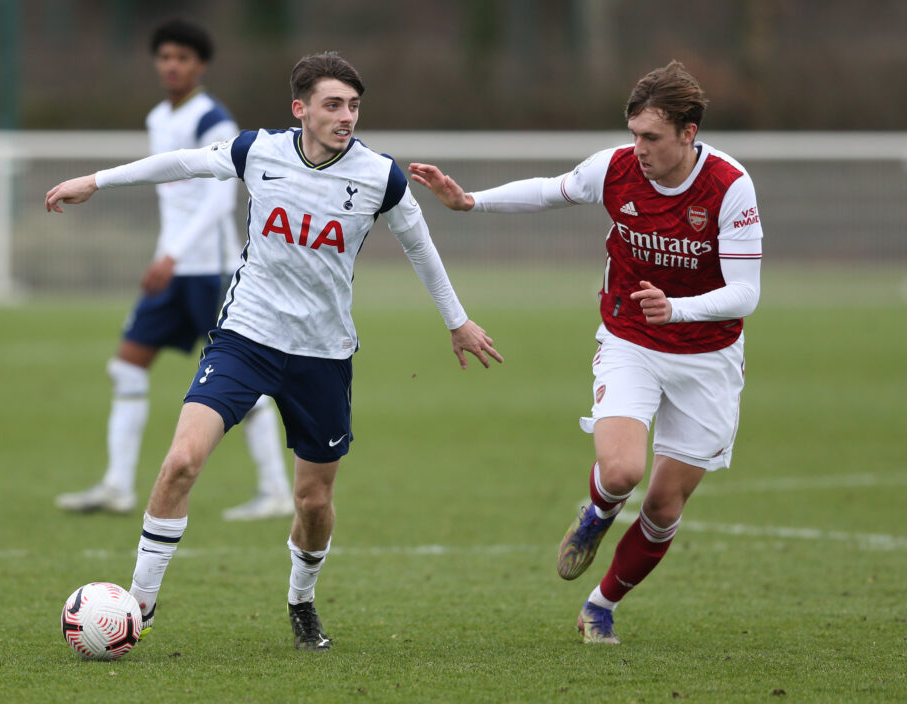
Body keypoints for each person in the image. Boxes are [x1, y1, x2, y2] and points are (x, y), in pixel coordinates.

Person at [46, 51, 502, 651]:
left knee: (313, 502)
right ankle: (140, 605)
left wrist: (457, 320)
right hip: (246, 337)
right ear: (301, 109)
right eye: (333, 105)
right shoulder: (257, 151)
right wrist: (95, 181)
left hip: (322, 354)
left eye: (353, 106)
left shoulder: (379, 176)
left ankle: (301, 599)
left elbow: (421, 247)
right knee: (181, 461)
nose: (346, 116)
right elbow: (182, 161)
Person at [409, 60, 762, 645]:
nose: (639, 147)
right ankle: (597, 514)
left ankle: (601, 604)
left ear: (688, 133)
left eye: (651, 136)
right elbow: (550, 192)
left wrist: (679, 309)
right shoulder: (615, 169)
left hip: (708, 356)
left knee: (665, 508)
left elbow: (746, 291)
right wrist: (469, 201)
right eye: (633, 134)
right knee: (622, 470)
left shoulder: (729, 185)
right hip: (630, 338)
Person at [53, 18, 294, 522]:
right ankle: (118, 485)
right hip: (173, 267)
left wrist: (173, 254)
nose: (171, 66)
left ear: (200, 65)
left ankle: (275, 491)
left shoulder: (213, 120)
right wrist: (165, 254)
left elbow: (217, 200)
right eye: (164, 57)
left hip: (211, 270)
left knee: (240, 383)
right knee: (126, 365)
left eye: (182, 58)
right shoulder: (159, 116)